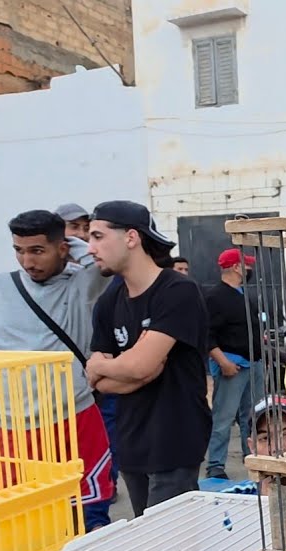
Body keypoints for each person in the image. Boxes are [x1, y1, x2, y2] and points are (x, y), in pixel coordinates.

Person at [0, 210, 115, 531]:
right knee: (17, 522)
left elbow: (103, 266)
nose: (27, 261)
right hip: (8, 427)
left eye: (37, 250)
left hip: (70, 419)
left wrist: (71, 242)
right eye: (19, 250)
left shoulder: (81, 284)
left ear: (62, 249)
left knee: (87, 520)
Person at [86, 200, 210, 517]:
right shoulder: (108, 302)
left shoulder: (177, 290)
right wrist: (127, 369)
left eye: (98, 236)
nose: (90, 248)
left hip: (175, 439)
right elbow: (97, 378)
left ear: (131, 237)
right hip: (131, 443)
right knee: (147, 547)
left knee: (172, 546)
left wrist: (125, 367)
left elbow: (138, 366)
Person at [204, 248, 264, 480]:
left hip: (253, 364)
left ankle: (252, 453)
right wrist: (223, 362)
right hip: (233, 365)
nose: (249, 269)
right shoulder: (215, 297)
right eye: (246, 265)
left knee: (253, 414)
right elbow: (207, 334)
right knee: (223, 417)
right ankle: (215, 465)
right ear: (236, 267)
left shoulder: (242, 295)